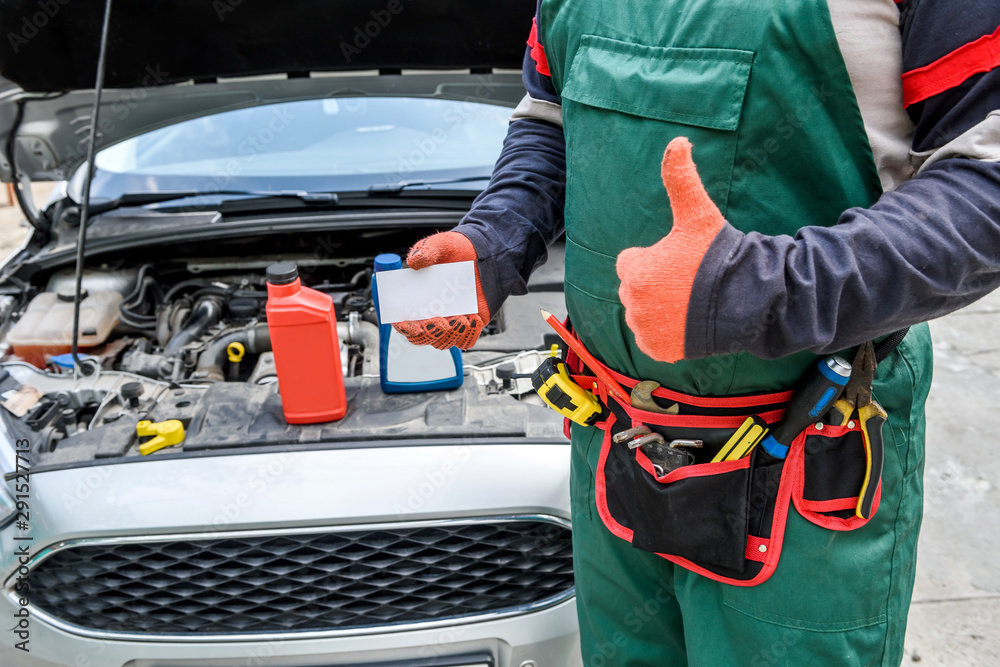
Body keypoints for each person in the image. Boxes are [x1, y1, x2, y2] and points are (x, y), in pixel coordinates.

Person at [395, 0, 1000, 663]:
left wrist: (757, 289)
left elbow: (984, 188)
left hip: (806, 464)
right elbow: (552, 119)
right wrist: (496, 239)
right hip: (614, 441)